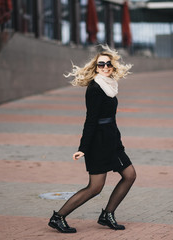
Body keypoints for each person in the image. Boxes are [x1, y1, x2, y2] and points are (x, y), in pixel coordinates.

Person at [48, 45, 136, 233]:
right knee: (95, 187)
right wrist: (83, 148)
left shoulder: (111, 85)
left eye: (108, 64)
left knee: (129, 175)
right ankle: (58, 217)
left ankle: (107, 214)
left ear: (112, 66)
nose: (105, 67)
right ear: (96, 67)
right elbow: (91, 120)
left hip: (112, 141)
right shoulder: (95, 88)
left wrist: (117, 140)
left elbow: (111, 118)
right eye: (101, 64)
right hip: (98, 143)